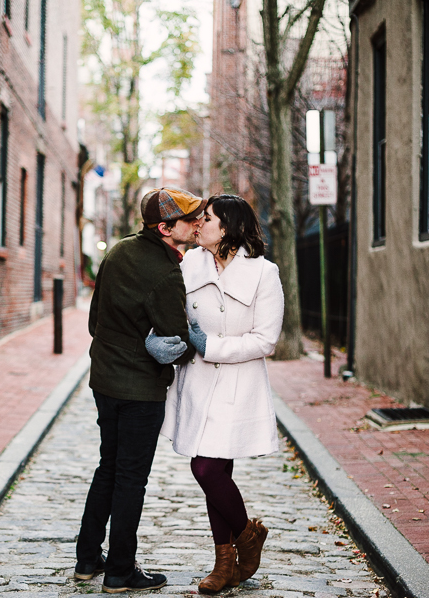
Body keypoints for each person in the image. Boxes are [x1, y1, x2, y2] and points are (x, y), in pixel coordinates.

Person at [74, 187, 207, 593]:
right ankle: (120, 571)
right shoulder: (166, 273)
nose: (197, 223)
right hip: (139, 391)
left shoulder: (117, 252)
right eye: (190, 219)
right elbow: (177, 342)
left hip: (105, 382)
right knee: (131, 478)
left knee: (108, 467)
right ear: (166, 228)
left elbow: (96, 322)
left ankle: (87, 560)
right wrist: (176, 345)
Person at [153, 194, 284, 594]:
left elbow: (266, 340)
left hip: (237, 385)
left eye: (205, 219)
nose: (198, 225)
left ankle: (245, 538)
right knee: (216, 473)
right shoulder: (190, 263)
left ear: (225, 227)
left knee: (207, 469)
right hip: (196, 382)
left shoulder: (264, 273)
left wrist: (212, 346)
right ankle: (226, 561)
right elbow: (174, 311)